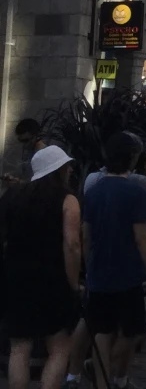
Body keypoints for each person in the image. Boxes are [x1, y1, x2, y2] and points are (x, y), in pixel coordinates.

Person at [66, 144, 146, 388]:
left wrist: (90, 264)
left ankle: (103, 380)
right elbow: (141, 237)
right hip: (128, 273)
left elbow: (86, 234)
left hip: (101, 273)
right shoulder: (134, 191)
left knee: (103, 331)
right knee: (133, 330)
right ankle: (111, 376)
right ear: (132, 160)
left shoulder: (93, 190)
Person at [3, 146, 80, 389]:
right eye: (66, 166)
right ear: (57, 170)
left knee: (19, 348)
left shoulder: (12, 196)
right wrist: (73, 282)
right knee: (58, 348)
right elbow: (72, 245)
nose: (70, 170)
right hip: (52, 279)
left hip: (15, 278)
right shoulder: (68, 200)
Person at [13, 118, 47, 182]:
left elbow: (41, 182)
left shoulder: (44, 154)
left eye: (26, 140)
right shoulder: (30, 151)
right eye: (21, 141)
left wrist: (20, 183)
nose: (24, 144)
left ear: (35, 135)